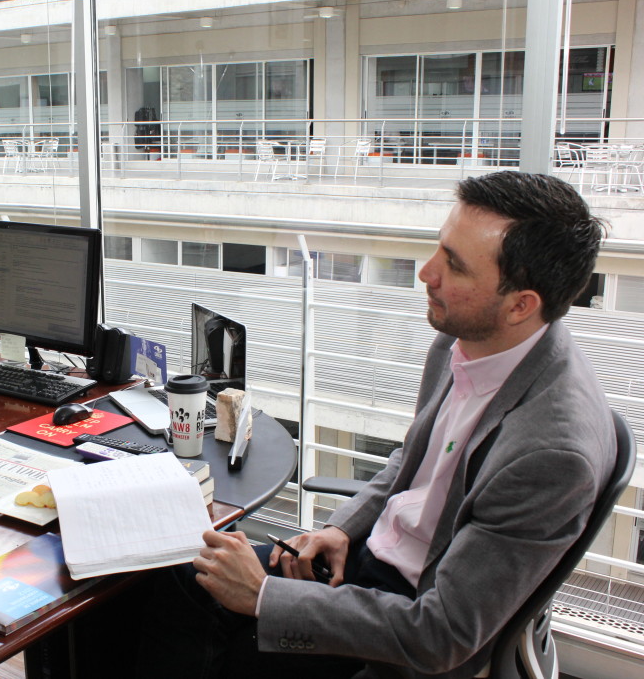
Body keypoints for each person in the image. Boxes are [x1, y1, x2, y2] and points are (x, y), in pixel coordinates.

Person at [79, 171, 616, 679]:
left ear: (521, 305)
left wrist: (265, 597)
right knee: (175, 572)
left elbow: (443, 633)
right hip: (370, 559)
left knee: (216, 644)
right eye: (439, 249)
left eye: (454, 265)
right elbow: (412, 463)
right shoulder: (467, 340)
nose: (427, 273)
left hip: (411, 619)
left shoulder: (551, 454)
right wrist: (342, 529)